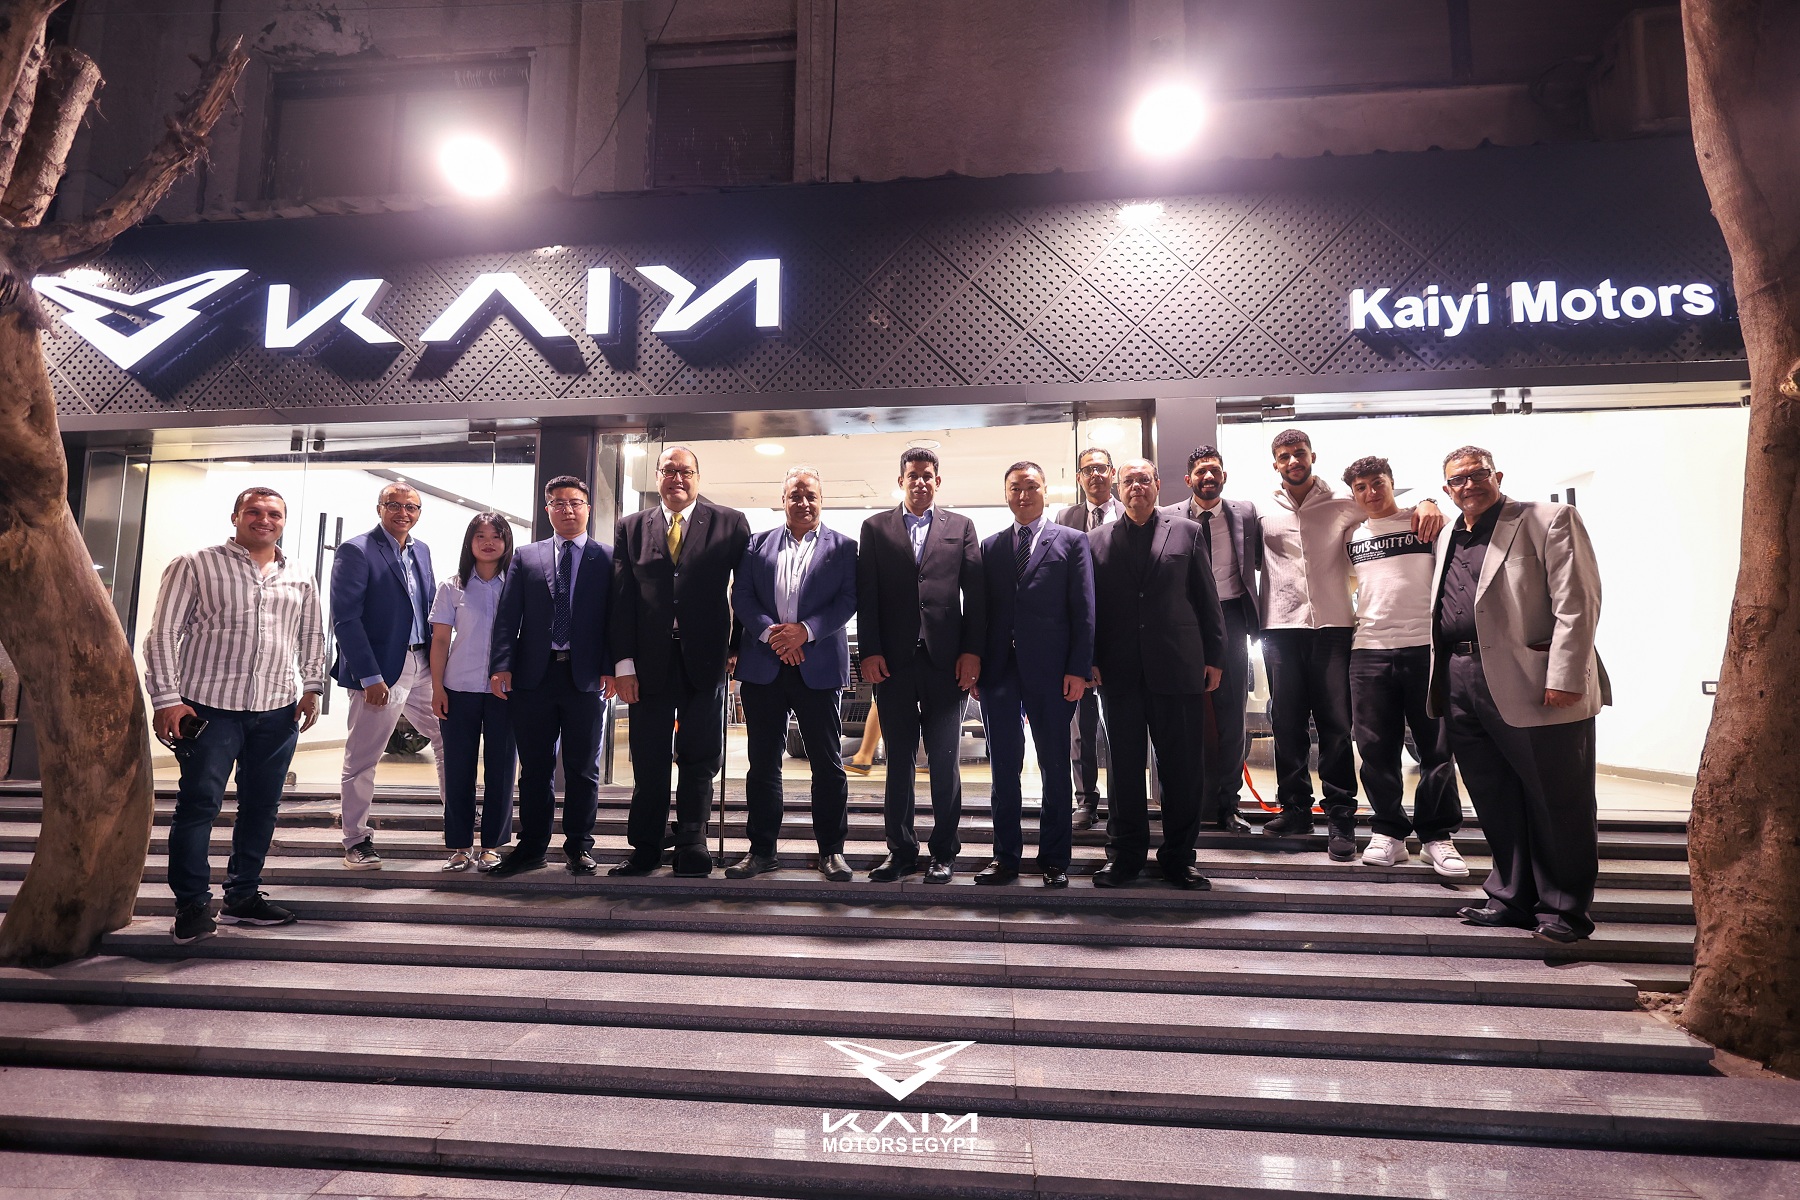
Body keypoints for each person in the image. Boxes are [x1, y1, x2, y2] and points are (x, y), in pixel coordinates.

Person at [1430, 446, 1608, 944]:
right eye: (1458, 480)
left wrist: (1565, 675)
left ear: (1497, 475)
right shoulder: (1447, 534)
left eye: (1478, 474)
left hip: (1533, 679)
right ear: (1446, 490)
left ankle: (1565, 910)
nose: (1469, 485)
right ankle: (1511, 898)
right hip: (1460, 676)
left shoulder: (1548, 519)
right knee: (1494, 797)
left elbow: (1579, 602)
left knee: (1558, 799)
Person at [145, 486, 324, 944]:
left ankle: (242, 896)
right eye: (254, 511)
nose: (264, 519)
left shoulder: (300, 573)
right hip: (209, 708)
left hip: (277, 710)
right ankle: (191, 905)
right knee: (199, 805)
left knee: (261, 807)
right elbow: (162, 634)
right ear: (235, 517)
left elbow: (311, 635)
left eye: (274, 514)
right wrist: (166, 699)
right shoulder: (194, 564)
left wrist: (312, 687)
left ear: (284, 521)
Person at [1256, 429, 1440, 861]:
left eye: (1299, 453)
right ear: (1275, 463)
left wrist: (1430, 499)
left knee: (1336, 726)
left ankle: (1340, 816)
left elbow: (1388, 508)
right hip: (1280, 628)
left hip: (1336, 626)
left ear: (1312, 455)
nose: (1293, 461)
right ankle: (1296, 809)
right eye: (1284, 456)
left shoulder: (1345, 500)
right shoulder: (1261, 509)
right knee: (1286, 724)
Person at [609, 446, 751, 878]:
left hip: (706, 660)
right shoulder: (631, 527)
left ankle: (692, 841)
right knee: (648, 757)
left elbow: (745, 589)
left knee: (700, 756)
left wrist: (737, 647)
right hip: (647, 662)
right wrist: (623, 665)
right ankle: (646, 846)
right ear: (657, 477)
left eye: (686, 471)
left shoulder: (729, 523)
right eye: (669, 471)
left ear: (698, 477)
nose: (677, 478)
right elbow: (621, 599)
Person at [1089, 459, 1225, 890]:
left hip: (1178, 667)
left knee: (1182, 768)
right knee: (1124, 769)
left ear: (1158, 485)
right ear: (1118, 488)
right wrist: (1089, 658)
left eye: (1143, 480)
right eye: (1128, 480)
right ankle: (1124, 857)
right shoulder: (1095, 540)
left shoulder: (1188, 531)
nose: (1136, 486)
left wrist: (1215, 657)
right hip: (1119, 673)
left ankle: (1180, 858)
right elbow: (1091, 610)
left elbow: (1207, 599)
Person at [856, 447, 985, 884]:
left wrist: (972, 652)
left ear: (938, 481)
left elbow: (976, 596)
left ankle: (944, 852)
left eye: (928, 475)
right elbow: (867, 595)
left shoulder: (961, 527)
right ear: (901, 481)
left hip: (945, 663)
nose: (920, 481)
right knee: (899, 761)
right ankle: (900, 850)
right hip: (893, 664)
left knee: (945, 762)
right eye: (912, 475)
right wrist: (870, 651)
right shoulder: (875, 528)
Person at [726, 467, 859, 882]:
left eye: (810, 496)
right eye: (795, 496)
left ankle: (831, 852)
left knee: (828, 764)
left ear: (822, 500)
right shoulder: (755, 544)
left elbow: (848, 600)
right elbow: (742, 596)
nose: (803, 503)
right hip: (763, 666)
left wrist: (805, 632)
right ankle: (762, 850)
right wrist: (774, 635)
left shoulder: (845, 547)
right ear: (782, 500)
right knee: (763, 765)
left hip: (818, 666)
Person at [1341, 456, 1467, 878]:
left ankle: (1436, 836)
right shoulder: (1353, 535)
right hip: (1368, 650)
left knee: (1437, 748)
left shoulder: (1425, 523)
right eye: (1361, 487)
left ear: (1392, 483)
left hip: (1425, 648)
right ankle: (1388, 832)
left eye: (1377, 483)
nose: (1371, 492)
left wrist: (1431, 500)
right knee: (1375, 749)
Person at [974, 461, 1095, 888]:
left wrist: (1078, 669)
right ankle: (1005, 857)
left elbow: (1084, 610)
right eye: (1015, 488)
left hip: (1053, 673)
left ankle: (1055, 859)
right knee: (1003, 768)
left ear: (1046, 490)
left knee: (1054, 766)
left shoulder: (1072, 541)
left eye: (1031, 487)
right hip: (999, 673)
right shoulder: (990, 546)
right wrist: (976, 666)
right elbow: (980, 612)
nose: (1023, 495)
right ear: (1006, 493)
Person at [487, 476, 613, 877]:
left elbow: (615, 620)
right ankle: (532, 847)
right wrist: (501, 664)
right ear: (548, 510)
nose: (567, 510)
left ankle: (579, 846)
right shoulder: (526, 556)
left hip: (585, 678)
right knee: (535, 768)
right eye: (558, 503)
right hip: (533, 678)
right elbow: (508, 616)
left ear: (588, 508)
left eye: (575, 502)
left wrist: (611, 667)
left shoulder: (608, 558)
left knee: (582, 768)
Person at [331, 482, 445, 871]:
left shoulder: (422, 550)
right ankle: (356, 840)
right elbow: (345, 619)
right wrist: (369, 676)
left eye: (411, 507)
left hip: (423, 664)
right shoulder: (356, 550)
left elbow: (429, 608)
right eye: (394, 505)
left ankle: (459, 820)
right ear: (379, 508)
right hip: (381, 671)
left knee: (449, 738)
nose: (403, 513)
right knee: (363, 757)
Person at [1162, 446, 1260, 834]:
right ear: (1188, 479)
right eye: (1201, 471)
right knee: (1181, 713)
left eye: (1214, 470)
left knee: (1231, 714)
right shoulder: (1168, 516)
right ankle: (1184, 803)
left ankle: (1229, 804)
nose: (1208, 477)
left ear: (1224, 476)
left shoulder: (1246, 512)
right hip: (1184, 621)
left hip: (1231, 617)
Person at [428, 513, 517, 872]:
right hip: (458, 688)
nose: (488, 542)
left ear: (506, 542)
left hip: (505, 692)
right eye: (480, 536)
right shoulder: (452, 587)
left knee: (501, 769)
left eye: (496, 536)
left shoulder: (517, 585)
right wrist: (437, 688)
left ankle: (492, 846)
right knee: (458, 770)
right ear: (470, 542)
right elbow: (439, 641)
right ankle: (460, 846)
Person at [1056, 446, 1122, 831]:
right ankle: (1085, 800)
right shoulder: (1065, 517)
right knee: (1080, 727)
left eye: (1101, 468)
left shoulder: (1129, 511)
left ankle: (1122, 800)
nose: (1095, 474)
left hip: (1117, 634)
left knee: (1120, 725)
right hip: (1077, 634)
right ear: (1079, 477)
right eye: (1087, 469)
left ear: (1112, 472)